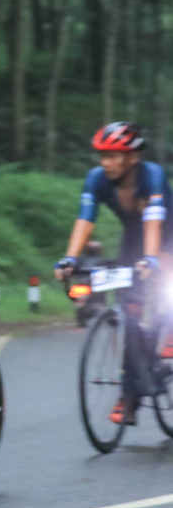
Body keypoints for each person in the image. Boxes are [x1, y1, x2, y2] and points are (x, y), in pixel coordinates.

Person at [52, 122, 169, 424]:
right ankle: (129, 396)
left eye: (113, 155)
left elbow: (154, 222)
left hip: (166, 236)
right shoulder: (97, 179)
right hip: (133, 238)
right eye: (103, 155)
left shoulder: (152, 175)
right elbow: (85, 220)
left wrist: (152, 260)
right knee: (129, 315)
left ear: (133, 157)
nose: (105, 162)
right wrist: (70, 258)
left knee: (165, 285)